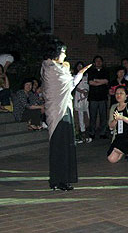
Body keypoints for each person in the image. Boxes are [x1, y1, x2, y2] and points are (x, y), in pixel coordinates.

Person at [41, 42, 92, 191]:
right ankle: (57, 180)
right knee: (59, 146)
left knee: (66, 146)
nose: (65, 55)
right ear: (55, 54)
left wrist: (79, 74)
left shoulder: (57, 68)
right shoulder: (51, 69)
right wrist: (76, 74)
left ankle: (63, 179)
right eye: (63, 52)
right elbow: (67, 84)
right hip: (57, 112)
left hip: (65, 109)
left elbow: (69, 85)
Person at [107, 86, 128, 163]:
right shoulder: (113, 107)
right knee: (111, 159)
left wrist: (122, 118)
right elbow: (110, 126)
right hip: (118, 136)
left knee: (118, 153)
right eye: (116, 94)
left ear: (126, 95)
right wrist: (116, 120)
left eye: (121, 93)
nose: (118, 95)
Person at [87, 55, 109, 139]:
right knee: (93, 116)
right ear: (94, 63)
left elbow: (106, 81)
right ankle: (92, 132)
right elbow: (90, 82)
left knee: (103, 116)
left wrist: (96, 81)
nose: (98, 62)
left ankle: (102, 132)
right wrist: (101, 82)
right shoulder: (91, 71)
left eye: (100, 61)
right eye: (97, 61)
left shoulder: (105, 71)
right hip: (93, 97)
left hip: (103, 97)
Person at [73, 61, 90, 137]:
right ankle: (82, 129)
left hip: (87, 95)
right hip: (79, 95)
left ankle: (89, 127)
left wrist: (87, 92)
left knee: (88, 110)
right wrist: (81, 91)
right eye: (78, 66)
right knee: (80, 113)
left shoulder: (87, 76)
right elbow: (74, 86)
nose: (80, 67)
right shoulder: (74, 76)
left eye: (81, 66)